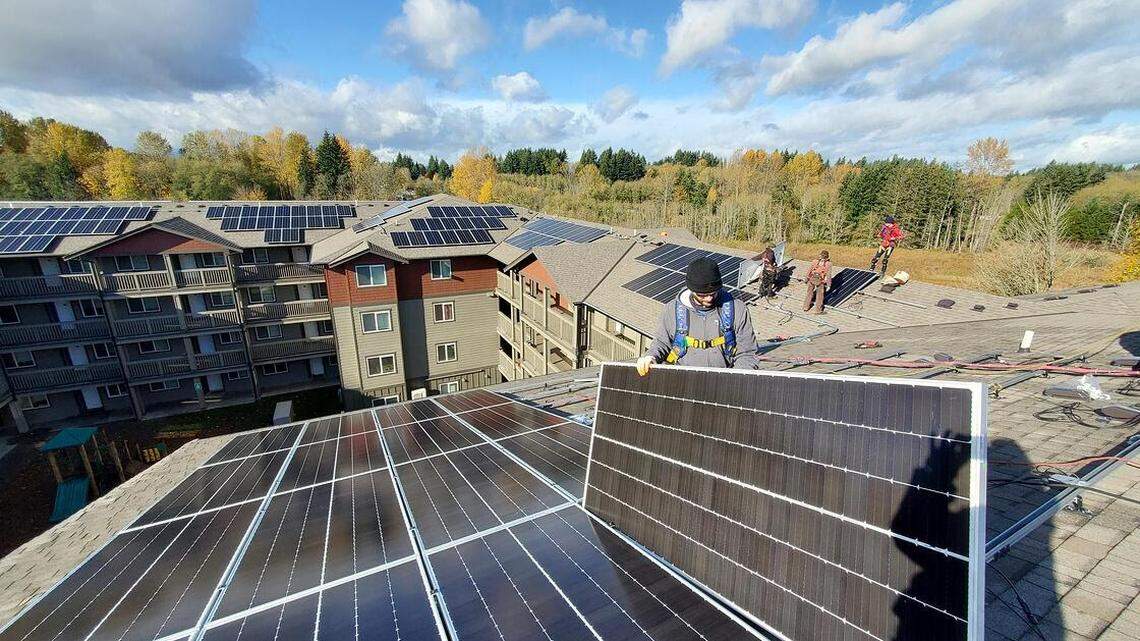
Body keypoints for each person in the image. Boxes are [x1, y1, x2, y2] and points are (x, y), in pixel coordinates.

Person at [636, 257, 759, 376]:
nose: (709, 298)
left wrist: (737, 380)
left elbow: (747, 353)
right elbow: (661, 342)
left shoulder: (737, 309)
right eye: (702, 295)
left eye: (713, 293)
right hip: (683, 380)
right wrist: (650, 356)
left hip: (724, 379)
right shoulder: (672, 310)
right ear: (692, 290)